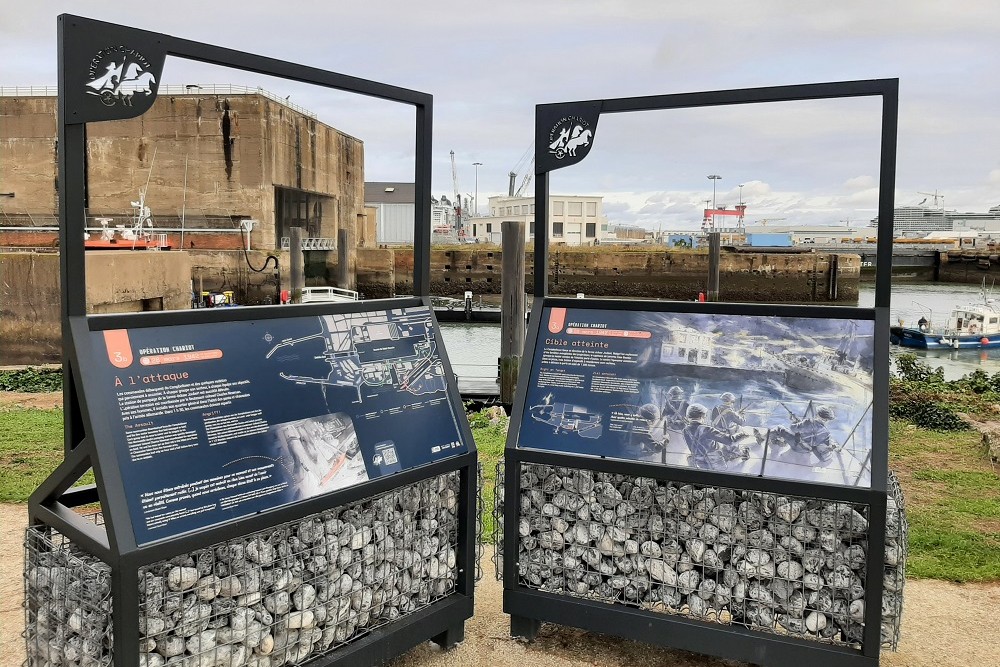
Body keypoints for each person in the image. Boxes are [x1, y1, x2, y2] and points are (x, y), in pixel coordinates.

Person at [682, 403, 749, 470]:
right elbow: (730, 441)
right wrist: (742, 435)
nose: (705, 417)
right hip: (715, 463)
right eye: (705, 415)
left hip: (700, 463)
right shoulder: (706, 429)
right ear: (701, 416)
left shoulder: (685, 430)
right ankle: (743, 453)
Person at [767, 405, 840, 463]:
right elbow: (827, 442)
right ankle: (781, 442)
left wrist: (794, 421)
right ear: (827, 420)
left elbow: (793, 428)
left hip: (796, 446)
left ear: (817, 415)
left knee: (780, 428)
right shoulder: (826, 432)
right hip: (807, 450)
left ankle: (770, 440)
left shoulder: (808, 422)